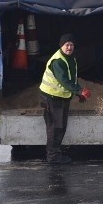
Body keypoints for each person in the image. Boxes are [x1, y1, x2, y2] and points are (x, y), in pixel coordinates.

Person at [39, 34, 91, 165]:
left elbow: (71, 79)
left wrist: (78, 93)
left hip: (61, 97)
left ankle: (55, 153)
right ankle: (53, 157)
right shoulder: (58, 61)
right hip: (52, 98)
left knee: (60, 127)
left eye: (71, 45)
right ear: (61, 46)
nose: (69, 47)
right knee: (55, 128)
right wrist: (80, 91)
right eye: (66, 45)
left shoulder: (70, 59)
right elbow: (64, 80)